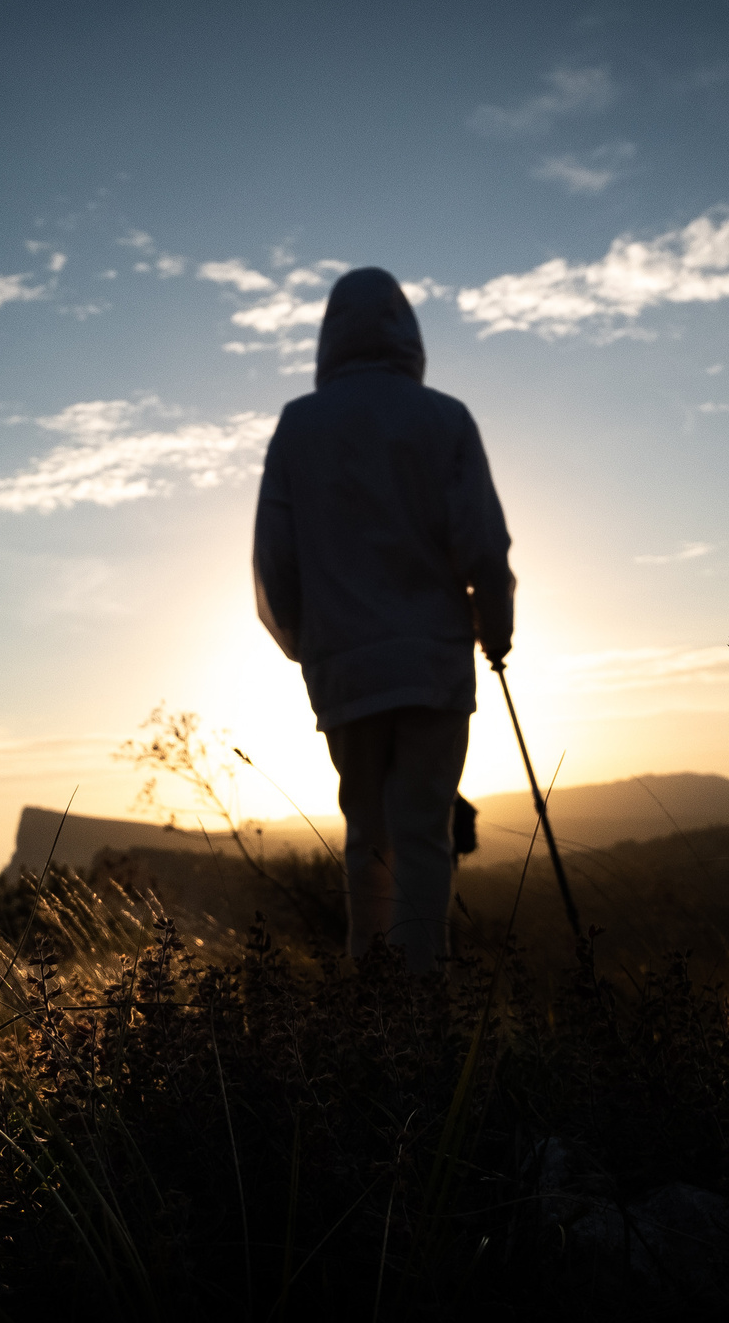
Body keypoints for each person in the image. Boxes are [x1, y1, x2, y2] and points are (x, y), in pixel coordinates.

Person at [252, 267, 512, 973]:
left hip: (344, 668)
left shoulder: (298, 426)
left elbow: (275, 559)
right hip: (433, 665)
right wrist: (497, 627)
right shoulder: (444, 419)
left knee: (367, 834)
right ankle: (423, 1006)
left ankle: (369, 1005)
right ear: (407, 333)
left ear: (330, 336)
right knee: (423, 834)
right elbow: (483, 545)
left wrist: (310, 644)